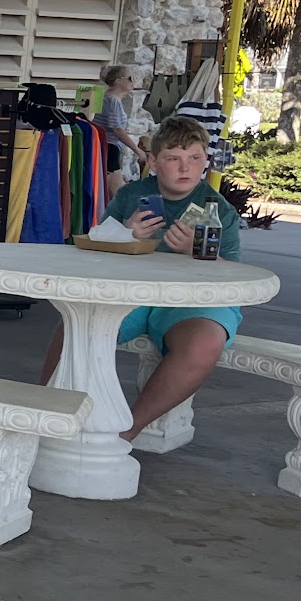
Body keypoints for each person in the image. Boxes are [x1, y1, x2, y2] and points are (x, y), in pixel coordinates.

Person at [39, 114, 243, 440]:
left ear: (206, 161)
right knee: (77, 321)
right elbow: (93, 249)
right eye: (173, 159)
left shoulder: (217, 208)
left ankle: (126, 431)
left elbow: (236, 279)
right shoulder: (132, 197)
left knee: (205, 341)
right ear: (153, 161)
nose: (184, 168)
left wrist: (201, 252)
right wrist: (124, 233)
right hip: (130, 295)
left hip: (192, 302)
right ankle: (51, 416)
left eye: (194, 158)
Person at [96, 64, 144, 196]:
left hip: (108, 147)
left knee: (110, 190)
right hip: (109, 148)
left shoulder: (110, 99)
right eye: (130, 78)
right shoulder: (112, 101)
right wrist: (137, 150)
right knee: (117, 191)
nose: (132, 81)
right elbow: (117, 130)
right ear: (118, 80)